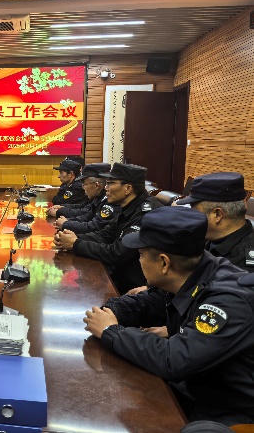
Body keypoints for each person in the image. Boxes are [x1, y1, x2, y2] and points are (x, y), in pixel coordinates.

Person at [83, 207, 254, 426]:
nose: (139, 260)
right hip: (195, 388)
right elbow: (147, 302)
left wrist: (111, 331)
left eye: (141, 254)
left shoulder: (227, 301)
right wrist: (113, 311)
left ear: (164, 263)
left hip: (226, 414)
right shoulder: (191, 272)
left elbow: (173, 360)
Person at [53, 163, 162, 294]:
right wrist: (69, 238)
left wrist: (76, 244)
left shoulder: (146, 214)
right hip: (119, 276)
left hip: (133, 288)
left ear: (127, 188)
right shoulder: (128, 205)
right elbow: (104, 235)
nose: (106, 188)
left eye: (110, 183)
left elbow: (118, 253)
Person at [176, 172, 254, 271]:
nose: (191, 217)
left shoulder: (241, 266)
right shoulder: (211, 236)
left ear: (217, 215)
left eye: (195, 212)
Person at [54, 163, 119, 234]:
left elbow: (93, 226)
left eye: (84, 184)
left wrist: (66, 224)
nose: (83, 187)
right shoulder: (98, 197)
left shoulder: (109, 200)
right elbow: (87, 216)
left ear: (96, 185)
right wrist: (67, 221)